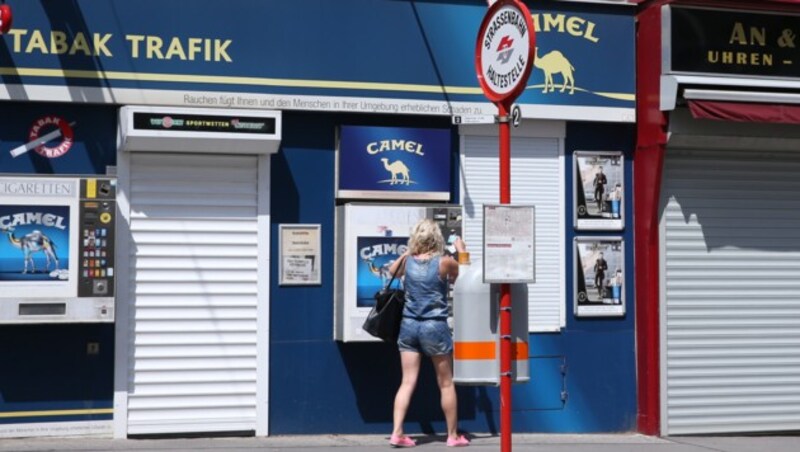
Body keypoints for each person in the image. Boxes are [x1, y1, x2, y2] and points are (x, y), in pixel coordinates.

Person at [385, 219, 469, 448]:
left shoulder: (406, 260)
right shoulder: (444, 263)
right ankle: (452, 436)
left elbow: (390, 272)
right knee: (445, 383)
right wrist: (462, 251)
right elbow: (466, 274)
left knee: (407, 382)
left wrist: (407, 256)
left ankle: (397, 433)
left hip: (409, 326)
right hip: (435, 326)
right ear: (436, 239)